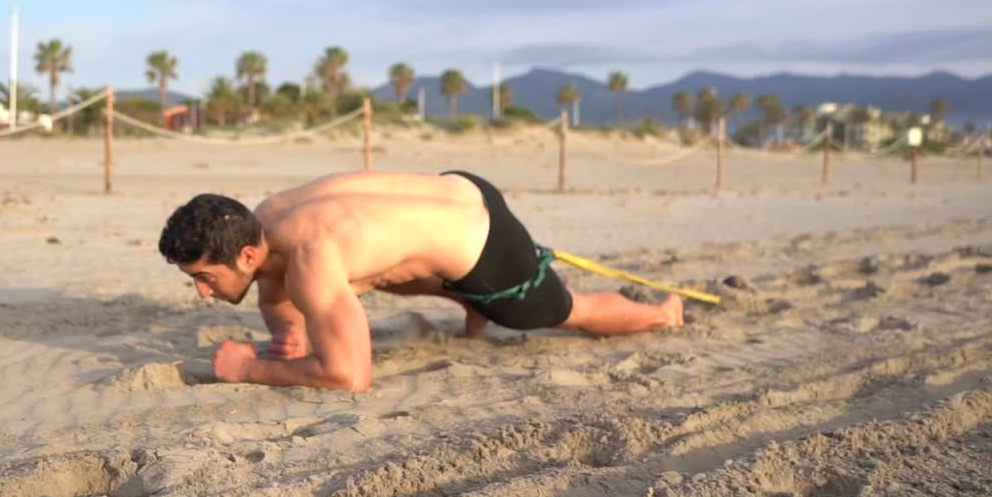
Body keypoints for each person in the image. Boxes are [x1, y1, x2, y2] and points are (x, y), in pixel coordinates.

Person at [158, 171, 683, 392]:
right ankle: (462, 296)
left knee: (564, 312)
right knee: (374, 269)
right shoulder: (267, 218)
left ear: (246, 254)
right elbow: (280, 296)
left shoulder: (313, 260)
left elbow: (350, 377)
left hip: (485, 242)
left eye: (204, 277)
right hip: (453, 186)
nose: (202, 292)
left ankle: (664, 312)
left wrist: (248, 369)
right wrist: (285, 341)